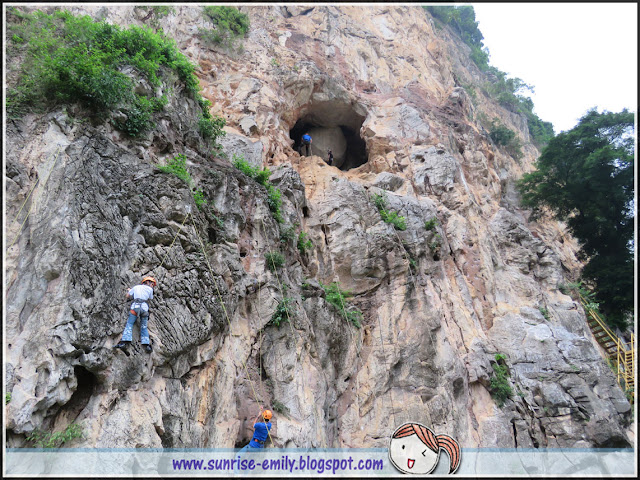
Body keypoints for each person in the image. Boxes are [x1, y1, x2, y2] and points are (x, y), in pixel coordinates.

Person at [115, 276, 157, 352]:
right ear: (148, 282)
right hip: (144, 308)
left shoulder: (136, 287)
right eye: (152, 284)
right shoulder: (150, 289)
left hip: (135, 306)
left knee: (130, 324)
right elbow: (150, 298)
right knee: (144, 326)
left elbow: (127, 296)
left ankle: (124, 342)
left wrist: (130, 291)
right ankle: (147, 345)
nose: (152, 286)